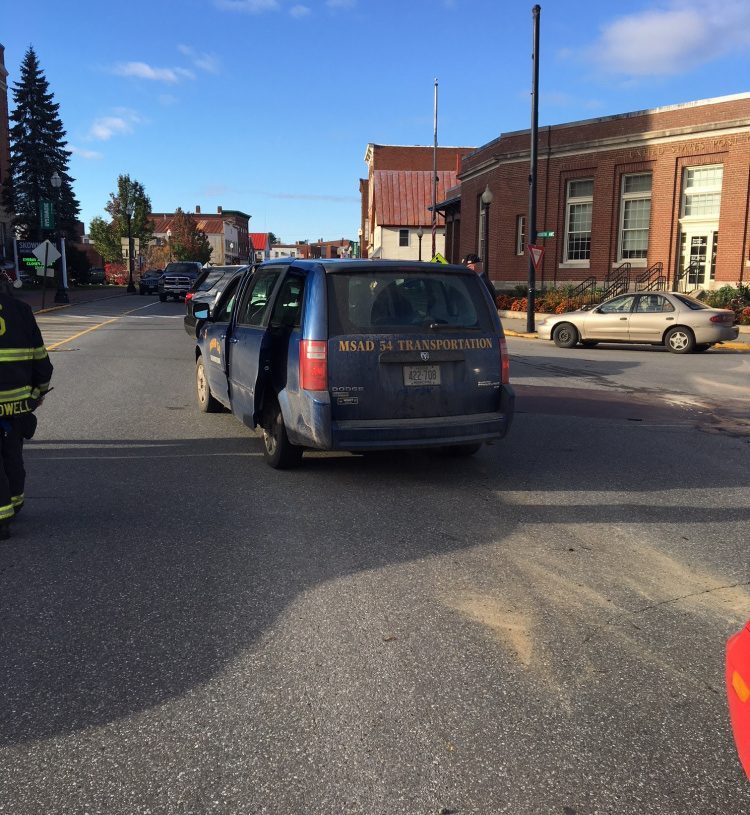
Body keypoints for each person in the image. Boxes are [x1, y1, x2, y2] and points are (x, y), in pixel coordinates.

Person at [0, 272, 53, 539]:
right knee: (12, 455)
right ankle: (14, 504)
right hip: (16, 404)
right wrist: (39, 392)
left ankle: (2, 517)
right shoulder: (21, 311)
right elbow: (41, 360)